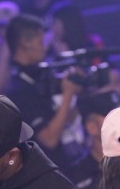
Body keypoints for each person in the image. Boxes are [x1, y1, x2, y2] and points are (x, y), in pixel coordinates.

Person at [6, 14, 84, 168]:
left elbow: (64, 121)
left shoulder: (39, 78)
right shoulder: (19, 90)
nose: (45, 47)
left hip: (64, 164)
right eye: (40, 42)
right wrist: (68, 94)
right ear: (25, 44)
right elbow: (49, 140)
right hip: (45, 172)